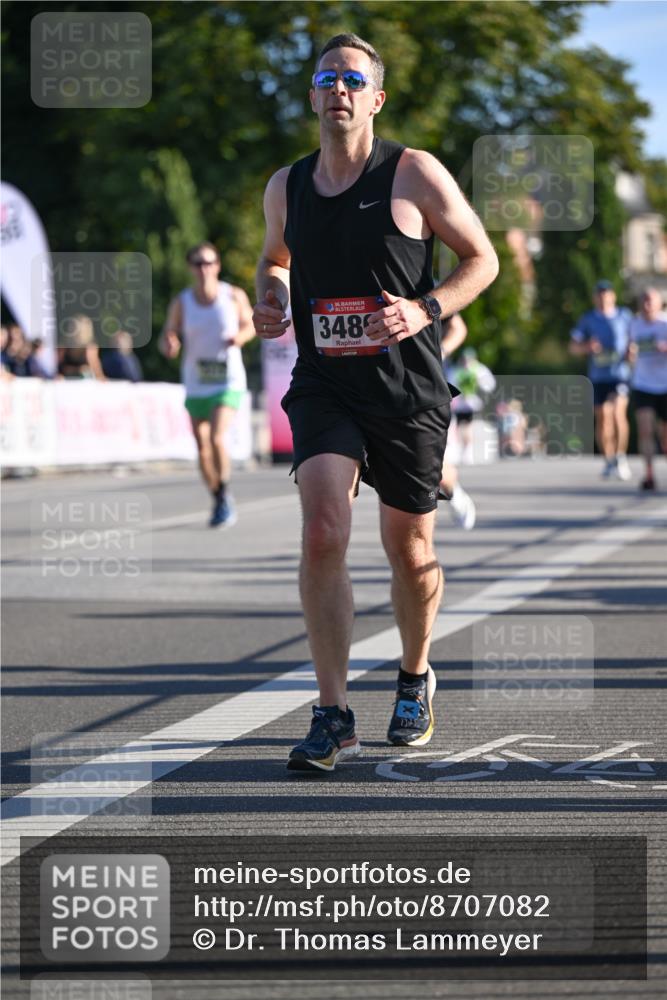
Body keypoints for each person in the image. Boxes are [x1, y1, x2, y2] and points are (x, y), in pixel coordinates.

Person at [253, 33, 498, 772]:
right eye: (326, 78)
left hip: (407, 388)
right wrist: (270, 296)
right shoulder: (285, 185)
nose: (339, 90)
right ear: (311, 96)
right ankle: (332, 715)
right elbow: (274, 258)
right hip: (326, 381)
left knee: (410, 551)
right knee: (324, 528)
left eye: (353, 79)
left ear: (375, 98)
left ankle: (415, 676)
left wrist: (425, 308)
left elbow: (479, 259)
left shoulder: (414, 172)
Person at [160, 242, 255, 528]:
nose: (204, 268)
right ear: (191, 267)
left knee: (215, 437)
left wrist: (239, 337)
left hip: (228, 379)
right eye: (198, 263)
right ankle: (218, 496)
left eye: (209, 262)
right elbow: (168, 333)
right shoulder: (183, 301)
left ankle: (224, 492)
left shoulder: (233, 295)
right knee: (201, 445)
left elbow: (251, 325)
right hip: (197, 380)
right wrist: (170, 343)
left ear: (217, 266)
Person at [570, 280, 632, 480]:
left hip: (620, 375)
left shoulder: (624, 316)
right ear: (595, 297)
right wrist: (587, 347)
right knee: (603, 418)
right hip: (598, 376)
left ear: (613, 295)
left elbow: (636, 340)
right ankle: (608, 459)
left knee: (617, 413)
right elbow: (573, 347)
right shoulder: (588, 319)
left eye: (607, 293)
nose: (603, 297)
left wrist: (633, 352)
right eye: (599, 293)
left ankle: (620, 457)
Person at [439, 314, 477, 530]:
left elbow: (458, 328)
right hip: (359, 390)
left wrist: (439, 351)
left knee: (429, 467)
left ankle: (454, 491)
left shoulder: (417, 284)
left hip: (417, 392)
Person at [628, 287, 667, 491]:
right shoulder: (634, 325)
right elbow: (628, 350)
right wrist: (629, 354)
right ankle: (649, 474)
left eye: (651, 300)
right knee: (644, 430)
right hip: (643, 383)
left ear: (660, 303)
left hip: (665, 385)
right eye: (643, 300)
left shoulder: (665, 323)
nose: (647, 305)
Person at [446, 345, 496, 464]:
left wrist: (479, 386)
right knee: (459, 427)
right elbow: (451, 383)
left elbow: (489, 385)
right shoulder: (458, 370)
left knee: (467, 426)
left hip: (472, 403)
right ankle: (463, 450)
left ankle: (467, 451)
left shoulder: (479, 370)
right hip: (460, 404)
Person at [57, 315, 105, 380]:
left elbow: (95, 367)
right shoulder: (64, 346)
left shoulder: (90, 347)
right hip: (65, 381)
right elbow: (57, 367)